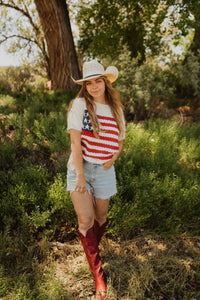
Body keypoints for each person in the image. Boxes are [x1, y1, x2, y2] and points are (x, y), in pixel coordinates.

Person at [66, 60, 125, 299]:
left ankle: (92, 252)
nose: (93, 86)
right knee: (86, 219)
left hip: (105, 171)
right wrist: (80, 175)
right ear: (84, 86)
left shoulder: (115, 108)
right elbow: (75, 142)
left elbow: (120, 139)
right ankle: (98, 276)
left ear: (106, 82)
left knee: (101, 216)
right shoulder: (80, 104)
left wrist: (114, 157)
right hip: (80, 168)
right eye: (89, 82)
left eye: (98, 81)